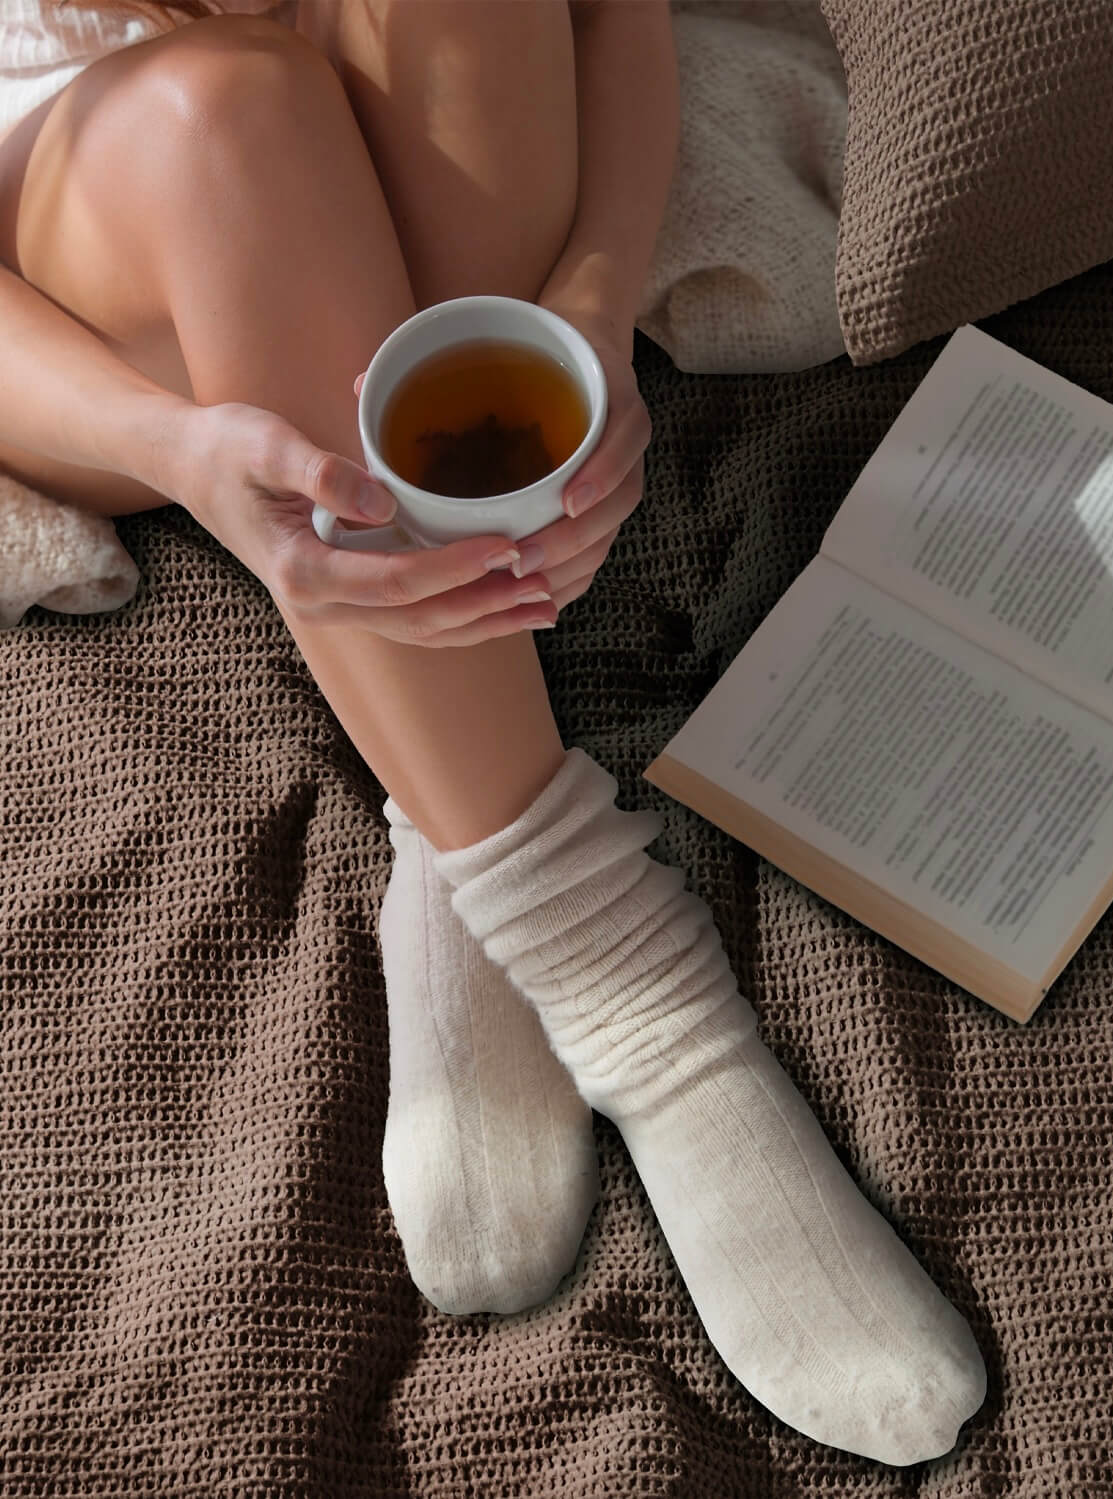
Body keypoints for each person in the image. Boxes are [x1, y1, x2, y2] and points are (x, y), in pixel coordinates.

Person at [0, 0, 986, 1466]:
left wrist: (582, 322)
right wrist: (175, 449)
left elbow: (613, 17)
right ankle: (627, 985)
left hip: (380, 176)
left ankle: (452, 833)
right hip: (90, 274)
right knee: (231, 112)